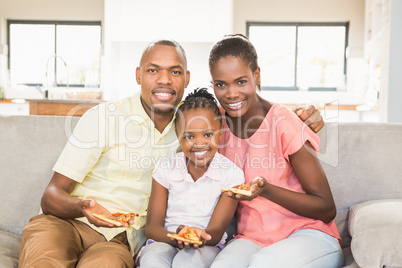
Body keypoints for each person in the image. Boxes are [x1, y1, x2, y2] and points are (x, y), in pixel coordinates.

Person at [18, 38, 325, 267]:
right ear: (139, 75)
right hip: (68, 223)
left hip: (119, 239)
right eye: (154, 70)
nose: (164, 80)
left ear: (187, 79)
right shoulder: (103, 117)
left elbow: (243, 103)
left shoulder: (198, 120)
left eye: (174, 72)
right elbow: (51, 197)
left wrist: (303, 115)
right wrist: (83, 206)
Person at [208, 34, 344, 267]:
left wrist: (266, 190)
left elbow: (326, 208)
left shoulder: (283, 121)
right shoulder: (215, 124)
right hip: (252, 238)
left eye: (241, 81)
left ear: (256, 75)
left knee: (265, 263)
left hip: (309, 234)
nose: (231, 94)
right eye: (221, 84)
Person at [139, 88, 244, 268]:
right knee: (153, 260)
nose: (199, 143)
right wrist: (178, 237)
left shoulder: (231, 174)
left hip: (207, 244)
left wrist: (198, 237)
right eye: (189, 136)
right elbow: (153, 229)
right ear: (179, 137)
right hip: (166, 241)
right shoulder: (165, 167)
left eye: (208, 135)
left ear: (220, 134)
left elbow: (216, 232)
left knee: (186, 262)